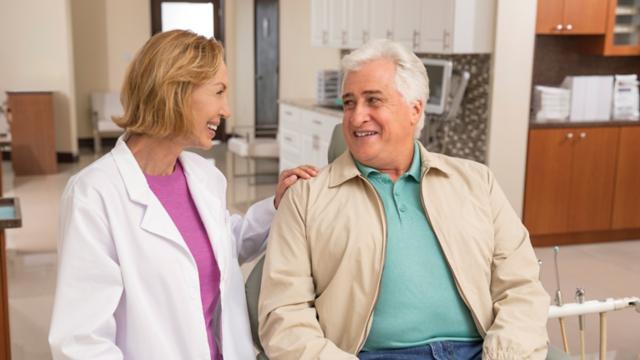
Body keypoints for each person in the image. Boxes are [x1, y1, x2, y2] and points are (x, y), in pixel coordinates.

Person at [258, 39, 549, 360]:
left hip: (483, 351)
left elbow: (522, 287)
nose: (356, 118)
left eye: (373, 101)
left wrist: (504, 354)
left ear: (415, 108)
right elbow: (283, 314)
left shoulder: (477, 182)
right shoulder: (306, 197)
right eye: (349, 103)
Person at [48, 30, 317, 360]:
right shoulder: (94, 195)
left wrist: (277, 206)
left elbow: (220, 247)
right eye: (218, 92)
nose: (227, 109)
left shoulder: (203, 176)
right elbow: (81, 342)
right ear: (175, 91)